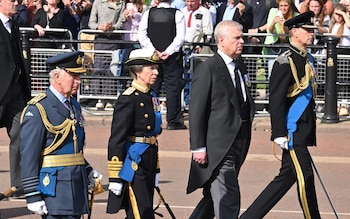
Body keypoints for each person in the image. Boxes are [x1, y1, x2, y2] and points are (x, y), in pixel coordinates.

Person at [239, 11, 321, 219]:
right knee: (305, 178)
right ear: (294, 32)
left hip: (303, 127)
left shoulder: (307, 58)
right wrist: (279, 132)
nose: (311, 34)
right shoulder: (285, 61)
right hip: (293, 129)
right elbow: (276, 100)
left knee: (286, 178)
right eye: (307, 30)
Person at [20, 51, 102, 218]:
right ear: (57, 76)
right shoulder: (38, 109)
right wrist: (32, 194)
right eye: (74, 76)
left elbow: (72, 147)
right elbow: (29, 155)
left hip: (76, 190)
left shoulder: (74, 106)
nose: (78, 81)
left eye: (79, 76)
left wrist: (87, 170)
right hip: (54, 191)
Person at [186, 20, 255, 219]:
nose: (242, 41)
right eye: (237, 38)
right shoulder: (209, 68)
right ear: (222, 40)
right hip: (218, 144)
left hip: (238, 140)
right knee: (228, 196)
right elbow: (197, 109)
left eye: (242, 37)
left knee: (212, 196)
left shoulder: (239, 65)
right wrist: (198, 146)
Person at [106, 49, 163, 219]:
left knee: (141, 211)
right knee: (141, 212)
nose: (156, 72)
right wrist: (115, 176)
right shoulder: (128, 98)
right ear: (138, 71)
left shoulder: (152, 95)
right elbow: (116, 139)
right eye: (151, 68)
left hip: (149, 157)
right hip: (134, 162)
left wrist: (157, 168)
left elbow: (153, 135)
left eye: (156, 68)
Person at [138, 0, 186, 130]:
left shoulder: (148, 13)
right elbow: (180, 37)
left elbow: (141, 35)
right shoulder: (178, 14)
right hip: (172, 58)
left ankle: (146, 118)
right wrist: (168, 52)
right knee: (173, 89)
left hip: (152, 57)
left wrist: (154, 51)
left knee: (151, 87)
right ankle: (173, 120)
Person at [0, 0, 32, 198]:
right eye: (12, 1)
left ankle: (18, 185)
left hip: (15, 92)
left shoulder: (15, 25)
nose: (16, 3)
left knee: (20, 133)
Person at [88, 0, 126, 109]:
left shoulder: (121, 3)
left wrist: (112, 27)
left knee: (112, 68)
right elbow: (91, 22)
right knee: (99, 67)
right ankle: (99, 98)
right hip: (100, 39)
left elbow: (122, 21)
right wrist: (99, 27)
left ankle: (110, 98)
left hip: (114, 40)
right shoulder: (98, 2)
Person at [181, 0, 213, 109]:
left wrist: (201, 45)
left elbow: (208, 32)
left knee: (194, 76)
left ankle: (192, 102)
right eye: (187, 1)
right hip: (182, 47)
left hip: (195, 49)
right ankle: (184, 101)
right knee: (184, 75)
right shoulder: (182, 12)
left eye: (192, 1)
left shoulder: (204, 12)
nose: (189, 4)